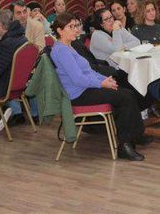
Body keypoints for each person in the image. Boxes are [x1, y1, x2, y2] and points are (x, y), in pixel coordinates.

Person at [50, 12, 150, 161]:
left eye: (76, 26)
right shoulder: (61, 50)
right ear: (59, 30)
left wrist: (106, 80)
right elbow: (78, 79)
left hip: (86, 88)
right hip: (79, 95)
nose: (76, 30)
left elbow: (88, 71)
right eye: (71, 27)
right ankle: (125, 146)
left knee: (128, 93)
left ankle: (135, 136)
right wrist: (101, 83)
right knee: (125, 98)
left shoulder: (69, 47)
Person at [0, 9, 31, 134]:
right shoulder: (22, 38)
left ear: (1, 25)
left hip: (4, 86)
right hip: (18, 84)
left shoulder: (7, 43)